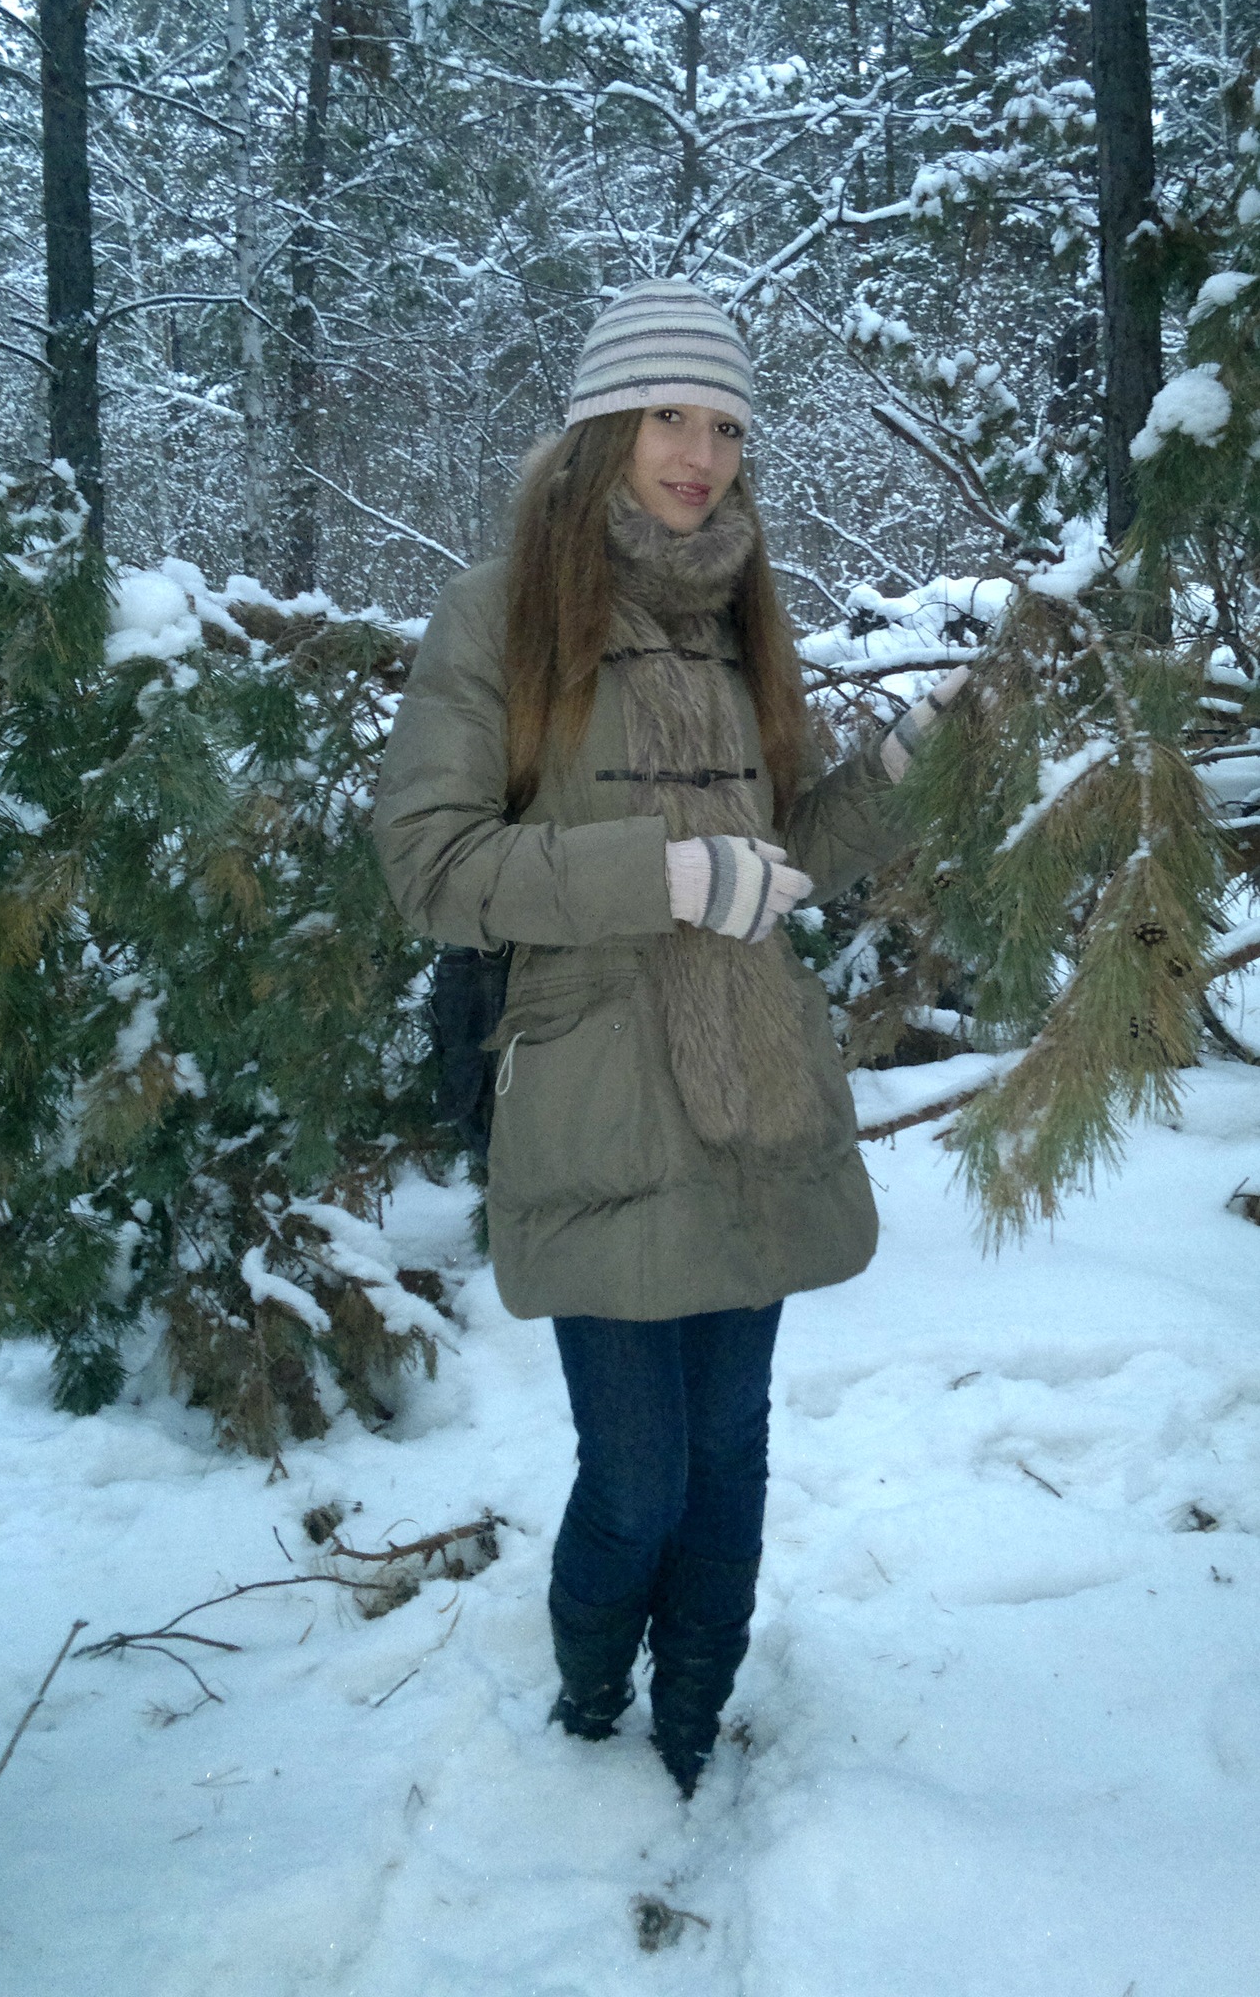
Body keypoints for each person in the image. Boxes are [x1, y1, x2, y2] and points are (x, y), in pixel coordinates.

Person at [372, 280, 966, 1797]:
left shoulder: (740, 615)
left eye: (726, 427)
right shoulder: (502, 613)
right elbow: (432, 864)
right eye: (668, 418)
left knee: (731, 1457)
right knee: (637, 1478)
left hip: (753, 1086)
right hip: (601, 1102)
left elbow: (787, 857)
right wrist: (666, 875)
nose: (701, 455)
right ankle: (589, 1708)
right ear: (600, 430)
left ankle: (693, 1716)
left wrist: (905, 765)